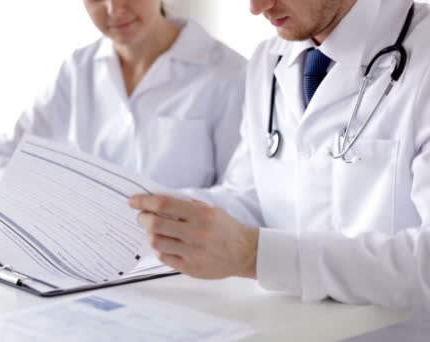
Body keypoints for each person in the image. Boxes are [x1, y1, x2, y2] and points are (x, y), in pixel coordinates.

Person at [130, 0, 430, 311]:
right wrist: (150, 213)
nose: (258, 7)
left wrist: (255, 256)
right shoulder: (269, 60)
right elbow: (250, 196)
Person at [0, 0, 247, 202]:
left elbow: (240, 197)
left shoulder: (230, 75)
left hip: (186, 268)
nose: (114, 9)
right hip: (86, 259)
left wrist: (144, 211)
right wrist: (38, 199)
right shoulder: (78, 70)